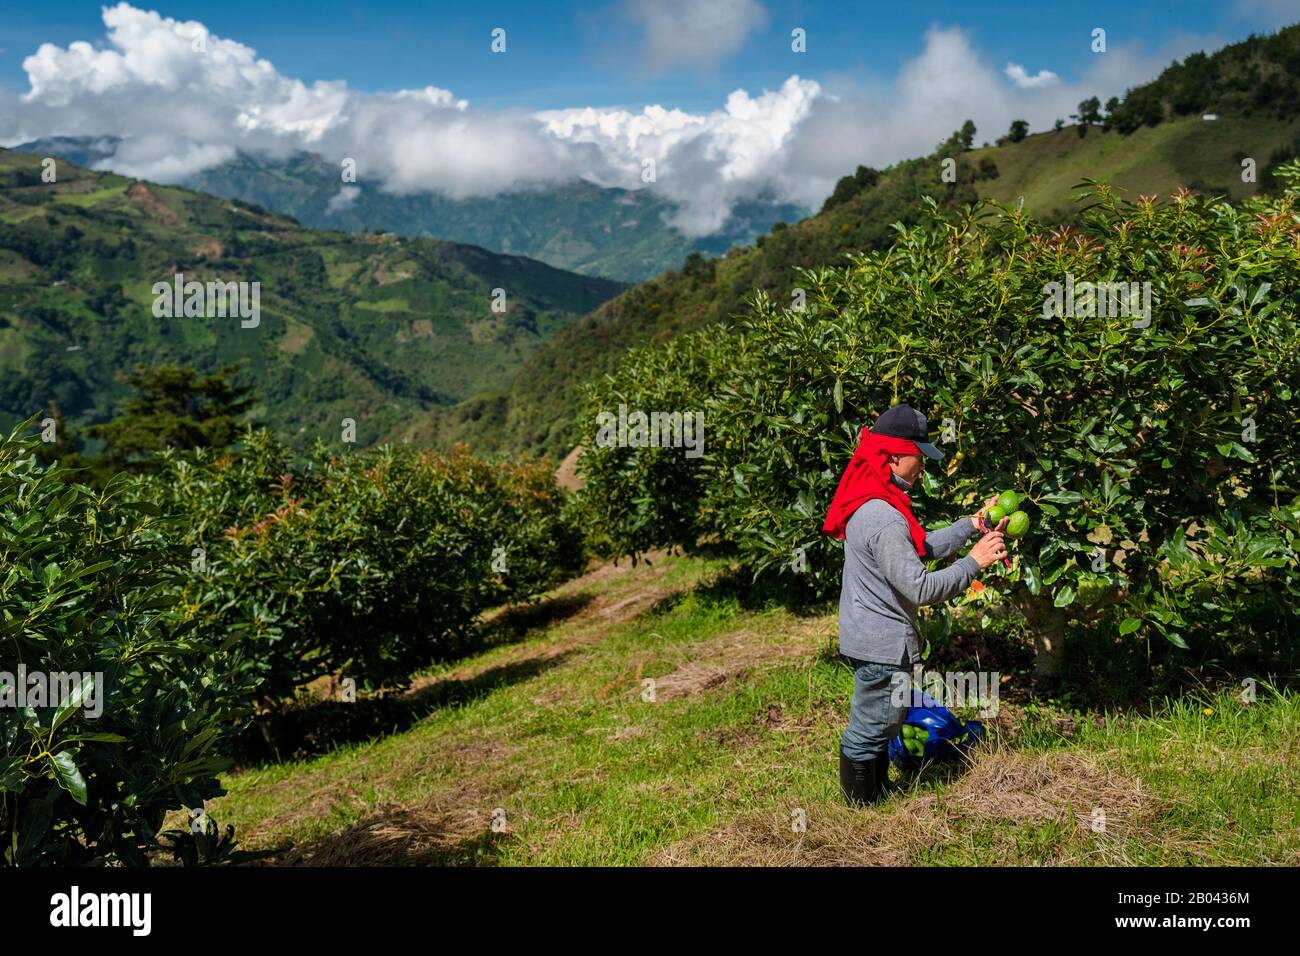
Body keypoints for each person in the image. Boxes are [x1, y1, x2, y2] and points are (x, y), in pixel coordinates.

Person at [822, 403, 1008, 806]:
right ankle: (860, 808)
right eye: (918, 457)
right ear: (893, 457)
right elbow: (921, 587)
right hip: (880, 644)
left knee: (884, 722)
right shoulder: (884, 518)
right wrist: (975, 561)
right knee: (870, 728)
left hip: (872, 637)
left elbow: (919, 547)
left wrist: (971, 526)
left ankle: (874, 794)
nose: (922, 465)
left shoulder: (876, 500)